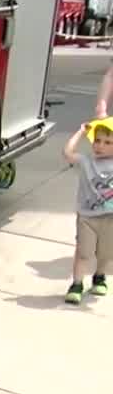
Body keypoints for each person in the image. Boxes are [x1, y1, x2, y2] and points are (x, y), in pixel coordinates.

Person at [62, 121, 113, 303]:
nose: (100, 146)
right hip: (87, 218)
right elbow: (67, 153)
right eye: (97, 141)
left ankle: (99, 277)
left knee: (106, 254)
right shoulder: (86, 162)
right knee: (84, 253)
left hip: (110, 219)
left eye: (108, 143)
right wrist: (80, 132)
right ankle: (76, 284)